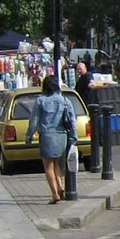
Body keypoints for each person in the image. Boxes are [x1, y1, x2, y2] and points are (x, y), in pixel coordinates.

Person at [26, 75, 75, 205]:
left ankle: (55, 194)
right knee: (56, 163)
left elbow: (34, 121)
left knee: (48, 166)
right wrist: (73, 136)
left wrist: (29, 135)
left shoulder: (40, 101)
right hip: (62, 136)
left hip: (47, 135)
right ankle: (60, 186)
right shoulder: (65, 100)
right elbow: (72, 120)